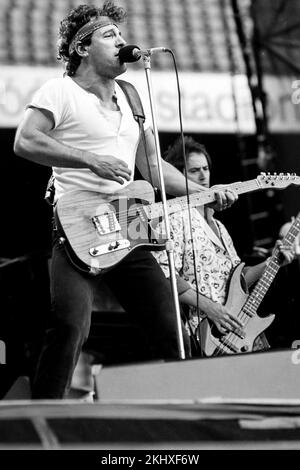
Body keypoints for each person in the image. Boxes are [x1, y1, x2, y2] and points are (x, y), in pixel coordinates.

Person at [13, 2, 237, 399]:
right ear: (82, 48)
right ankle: (42, 416)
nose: (122, 41)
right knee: (70, 325)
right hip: (77, 222)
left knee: (171, 327)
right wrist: (90, 160)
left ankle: (195, 412)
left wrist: (204, 192)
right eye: (109, 35)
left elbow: (152, 166)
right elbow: (26, 140)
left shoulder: (133, 96)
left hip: (127, 221)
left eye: (120, 34)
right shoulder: (60, 91)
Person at [153, 136, 295, 353]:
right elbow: (164, 276)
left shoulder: (219, 226)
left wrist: (271, 262)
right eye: (193, 171)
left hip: (236, 330)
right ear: (178, 176)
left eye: (205, 168)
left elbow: (237, 280)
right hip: (203, 332)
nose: (202, 175)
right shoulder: (175, 218)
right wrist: (211, 308)